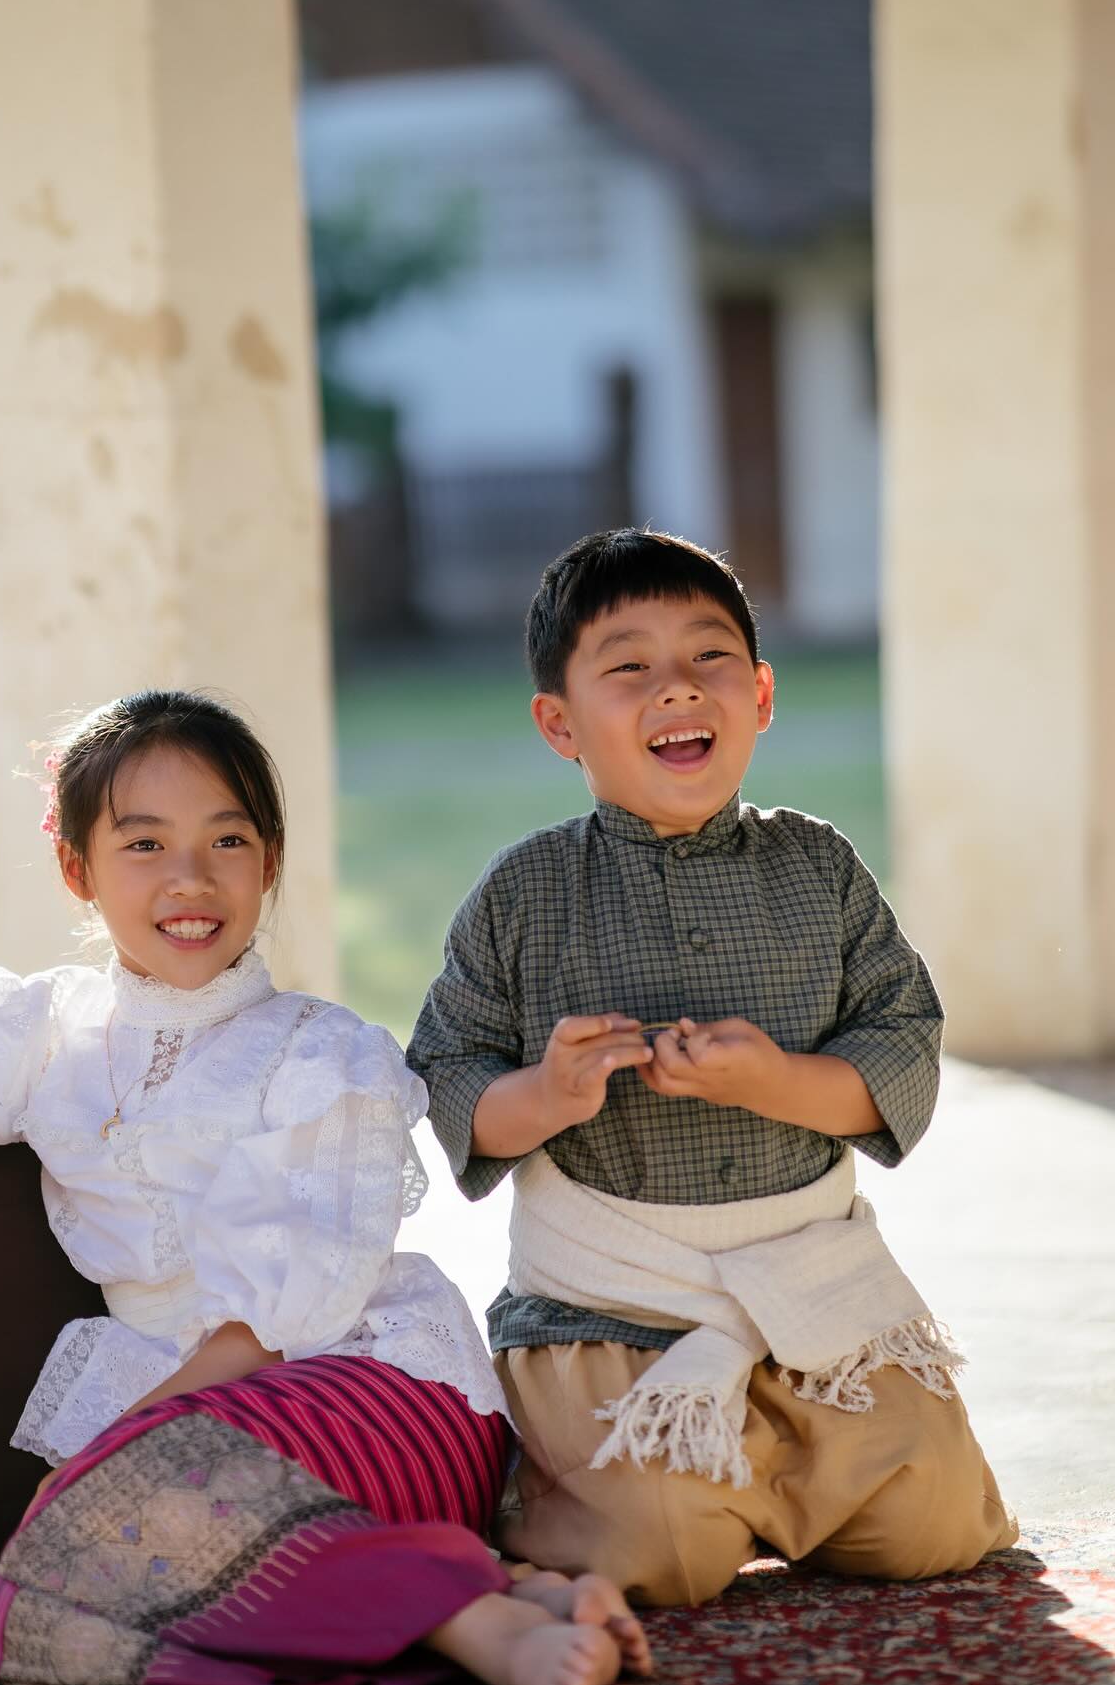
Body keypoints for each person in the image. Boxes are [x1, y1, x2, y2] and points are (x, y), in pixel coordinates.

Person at [0, 687, 651, 1685]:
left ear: (270, 859)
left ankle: (487, 1630)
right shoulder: (47, 1034)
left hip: (367, 1387)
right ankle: (522, 1599)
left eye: (226, 839)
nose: (190, 879)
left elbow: (283, 1315)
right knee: (32, 1617)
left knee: (102, 1527)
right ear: (79, 870)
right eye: (145, 844)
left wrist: (120, 1453)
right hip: (186, 1423)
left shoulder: (323, 1051)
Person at [407, 527, 1018, 1608]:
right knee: (656, 1554)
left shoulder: (819, 866)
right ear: (561, 723)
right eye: (629, 666)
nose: (677, 688)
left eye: (709, 658)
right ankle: (619, 1486)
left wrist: (778, 1083)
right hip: (607, 1313)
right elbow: (449, 1075)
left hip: (809, 1294)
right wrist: (545, 1097)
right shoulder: (524, 893)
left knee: (933, 1526)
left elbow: (899, 1033)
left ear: (762, 694)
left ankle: (771, 1469)